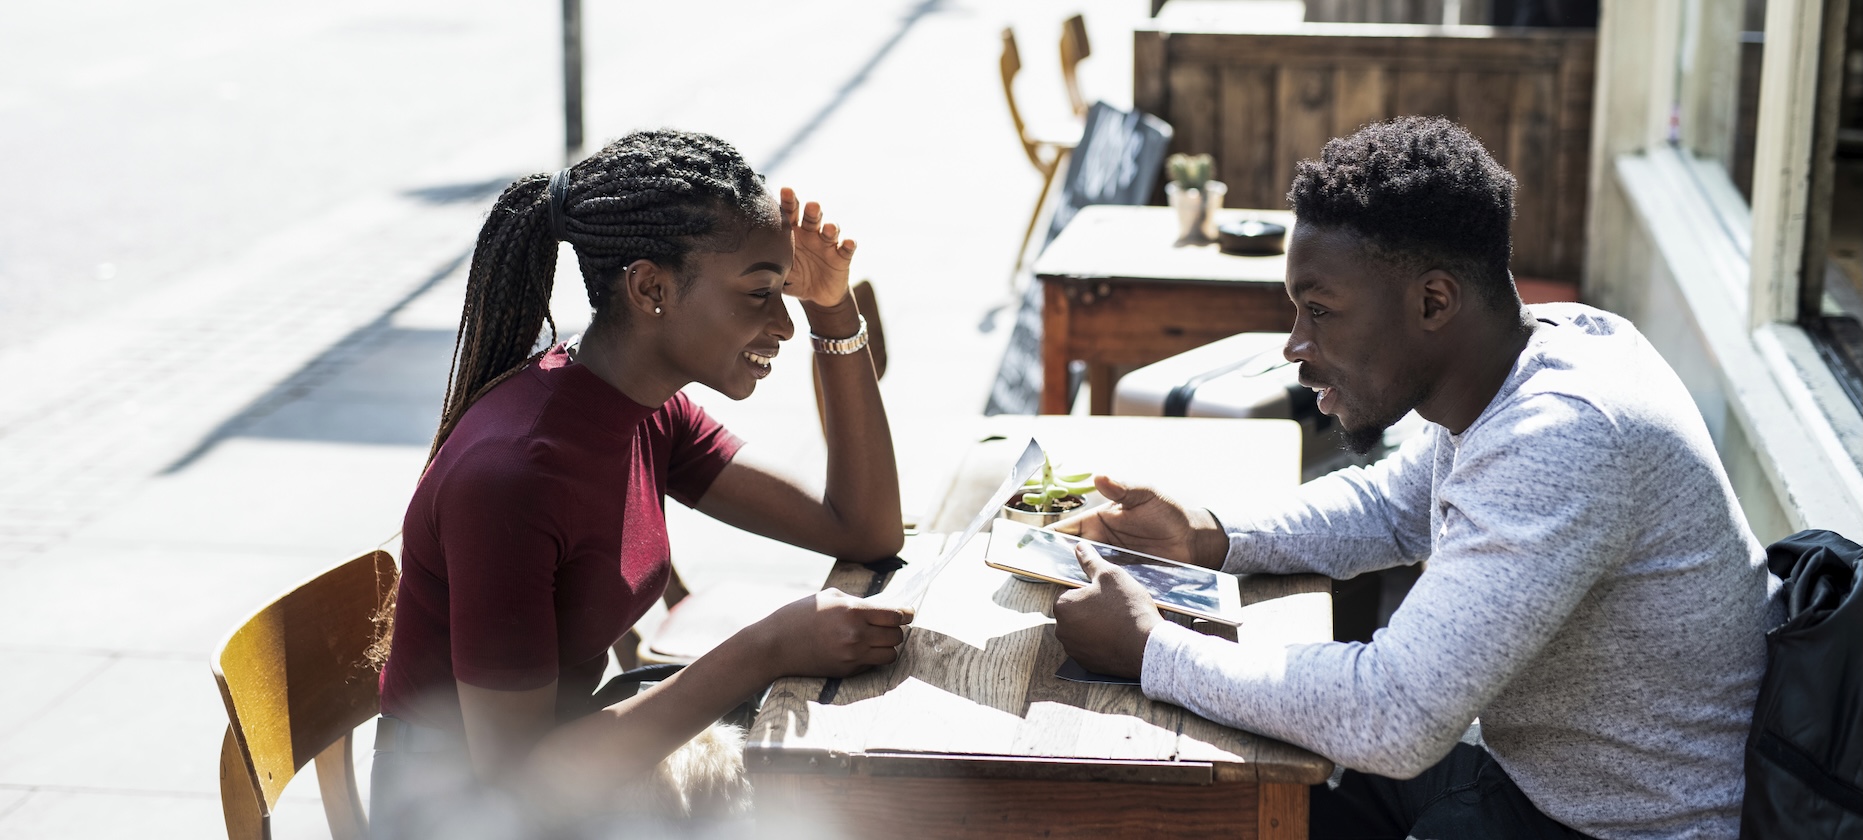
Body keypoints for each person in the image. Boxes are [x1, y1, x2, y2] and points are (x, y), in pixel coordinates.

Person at [1049, 116, 1781, 840]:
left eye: (1321, 311)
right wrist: (1211, 536)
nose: (1294, 346)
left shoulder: (1563, 434)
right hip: (1536, 781)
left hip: (1619, 828)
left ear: (1433, 302)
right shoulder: (1529, 350)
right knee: (1226, 805)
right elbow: (1392, 508)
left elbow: (1392, 716)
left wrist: (1151, 649)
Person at [369, 129, 912, 836]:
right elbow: (520, 787)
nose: (780, 321)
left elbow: (861, 531)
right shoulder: (514, 476)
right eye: (758, 292)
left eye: (784, 294)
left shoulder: (648, 411)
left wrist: (834, 310)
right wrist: (765, 648)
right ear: (651, 288)